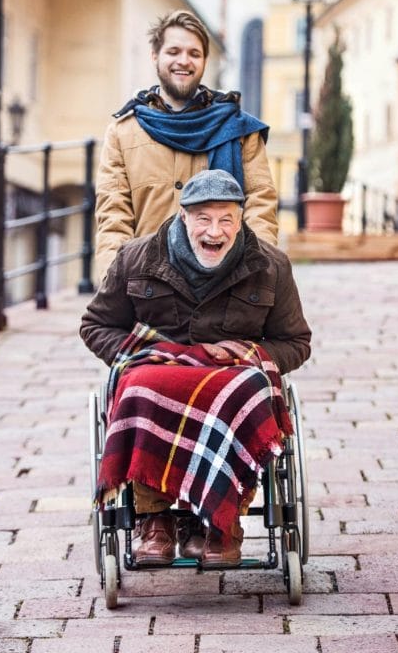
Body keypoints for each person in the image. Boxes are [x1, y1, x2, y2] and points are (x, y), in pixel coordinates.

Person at [81, 168, 311, 568]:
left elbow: (296, 342)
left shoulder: (270, 265)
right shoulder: (137, 257)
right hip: (158, 370)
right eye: (203, 218)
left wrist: (249, 355)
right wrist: (149, 354)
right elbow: (96, 325)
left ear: (241, 220)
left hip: (227, 378)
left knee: (249, 387)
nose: (214, 231)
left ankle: (220, 523)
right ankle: (155, 520)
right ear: (183, 216)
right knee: (139, 384)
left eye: (226, 220)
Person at [94, 9, 279, 282]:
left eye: (194, 53)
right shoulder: (123, 133)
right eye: (174, 51)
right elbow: (114, 216)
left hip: (224, 284)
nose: (184, 61)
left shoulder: (239, 130)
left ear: (205, 61)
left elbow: (260, 208)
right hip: (148, 285)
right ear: (155, 56)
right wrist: (116, 283)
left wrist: (258, 278)